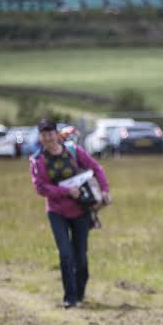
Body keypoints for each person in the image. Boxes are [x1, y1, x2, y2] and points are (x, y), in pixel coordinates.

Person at [29, 118, 110, 308]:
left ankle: (80, 293)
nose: (48, 138)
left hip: (81, 210)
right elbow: (40, 188)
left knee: (81, 257)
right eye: (44, 134)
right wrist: (66, 192)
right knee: (66, 254)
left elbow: (96, 168)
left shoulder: (73, 151)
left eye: (50, 133)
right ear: (40, 138)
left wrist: (104, 190)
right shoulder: (38, 160)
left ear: (57, 135)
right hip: (57, 212)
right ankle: (69, 298)